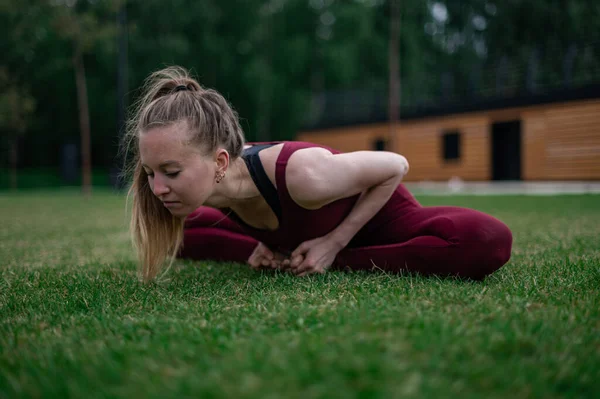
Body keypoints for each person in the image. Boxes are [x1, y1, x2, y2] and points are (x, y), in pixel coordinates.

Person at [123, 66, 512, 282]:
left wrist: (334, 245)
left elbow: (396, 165)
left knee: (483, 241)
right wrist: (267, 244)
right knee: (186, 236)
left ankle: (310, 257)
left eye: (170, 172)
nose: (157, 188)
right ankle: (289, 255)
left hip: (376, 217)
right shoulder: (203, 182)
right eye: (150, 172)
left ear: (221, 164)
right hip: (296, 228)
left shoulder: (303, 175)